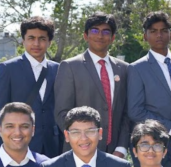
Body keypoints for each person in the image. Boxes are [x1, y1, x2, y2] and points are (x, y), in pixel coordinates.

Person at [54, 12, 131, 156]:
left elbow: (126, 113)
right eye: (95, 30)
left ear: (112, 38)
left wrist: (121, 148)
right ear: (85, 35)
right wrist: (82, 142)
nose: (100, 36)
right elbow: (62, 113)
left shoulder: (124, 68)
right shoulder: (70, 67)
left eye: (106, 31)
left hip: (114, 154)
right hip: (79, 152)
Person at [127, 11, 171, 167]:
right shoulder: (137, 68)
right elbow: (135, 110)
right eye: (153, 31)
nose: (159, 35)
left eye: (163, 30)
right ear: (145, 36)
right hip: (154, 143)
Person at [0, 16, 62, 157]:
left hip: (53, 145)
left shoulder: (59, 69)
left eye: (42, 38)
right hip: (19, 144)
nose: (36, 43)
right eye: (31, 38)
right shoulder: (8, 69)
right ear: (23, 40)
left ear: (49, 42)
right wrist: (3, 151)